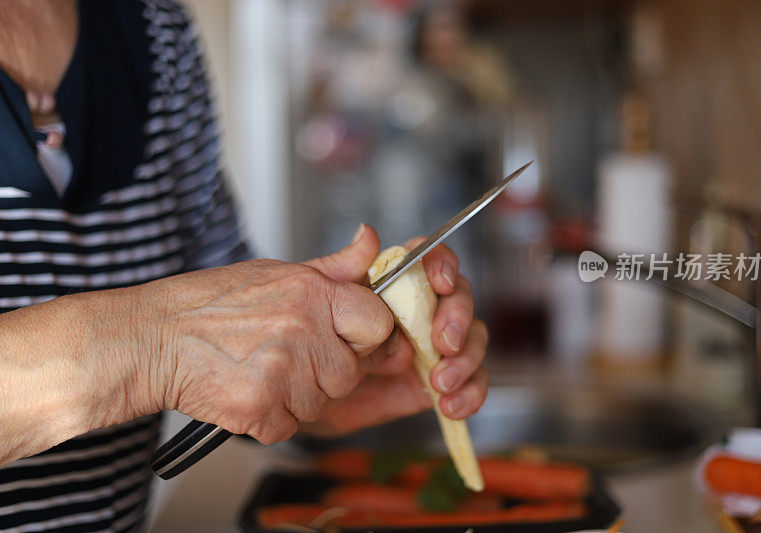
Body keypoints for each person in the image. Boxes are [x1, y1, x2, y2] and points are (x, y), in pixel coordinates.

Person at [0, 1, 489, 531]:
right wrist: (154, 346)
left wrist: (317, 367)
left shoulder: (155, 28)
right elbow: (187, 329)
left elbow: (223, 324)